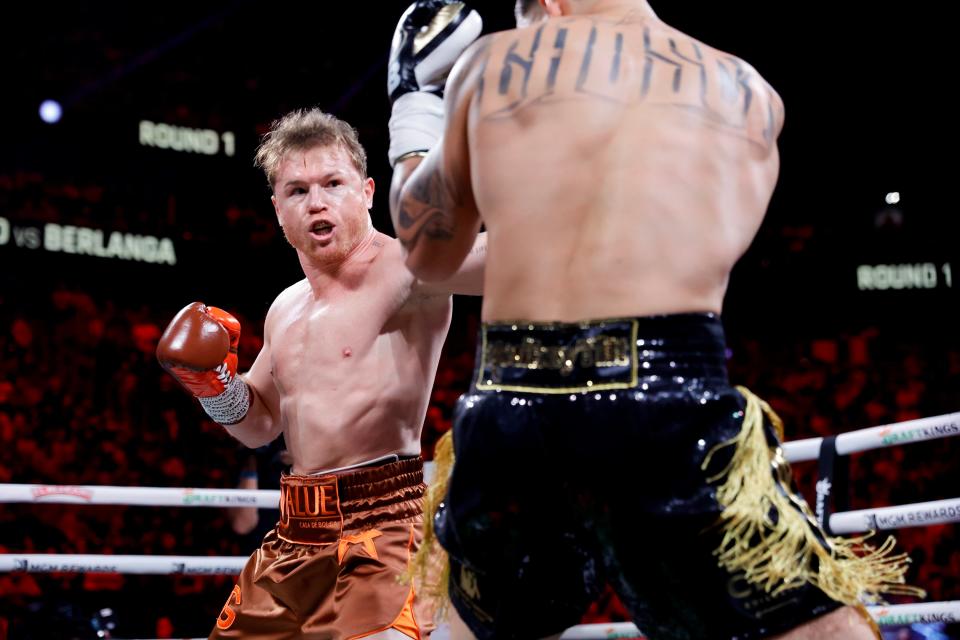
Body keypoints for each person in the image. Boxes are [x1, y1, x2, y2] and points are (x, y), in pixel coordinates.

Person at [387, 1, 919, 639]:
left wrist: (413, 107)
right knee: (818, 627)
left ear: (546, 8)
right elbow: (697, 257)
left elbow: (429, 251)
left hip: (512, 400)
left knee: (472, 622)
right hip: (666, 390)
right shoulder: (748, 93)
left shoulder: (493, 63)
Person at [156, 40, 485, 638]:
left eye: (333, 183)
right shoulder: (286, 307)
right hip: (293, 533)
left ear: (364, 191)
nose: (317, 202)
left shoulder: (406, 267)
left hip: (384, 526)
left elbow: (498, 259)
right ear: (277, 209)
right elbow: (259, 426)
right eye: (298, 191)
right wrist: (213, 384)